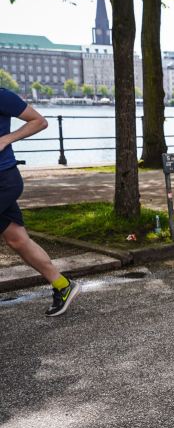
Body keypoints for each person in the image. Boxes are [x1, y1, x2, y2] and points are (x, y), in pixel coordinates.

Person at [0, 89, 81, 317]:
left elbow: (39, 121)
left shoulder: (1, 96)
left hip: (4, 181)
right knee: (17, 240)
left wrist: (5, 139)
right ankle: (63, 285)